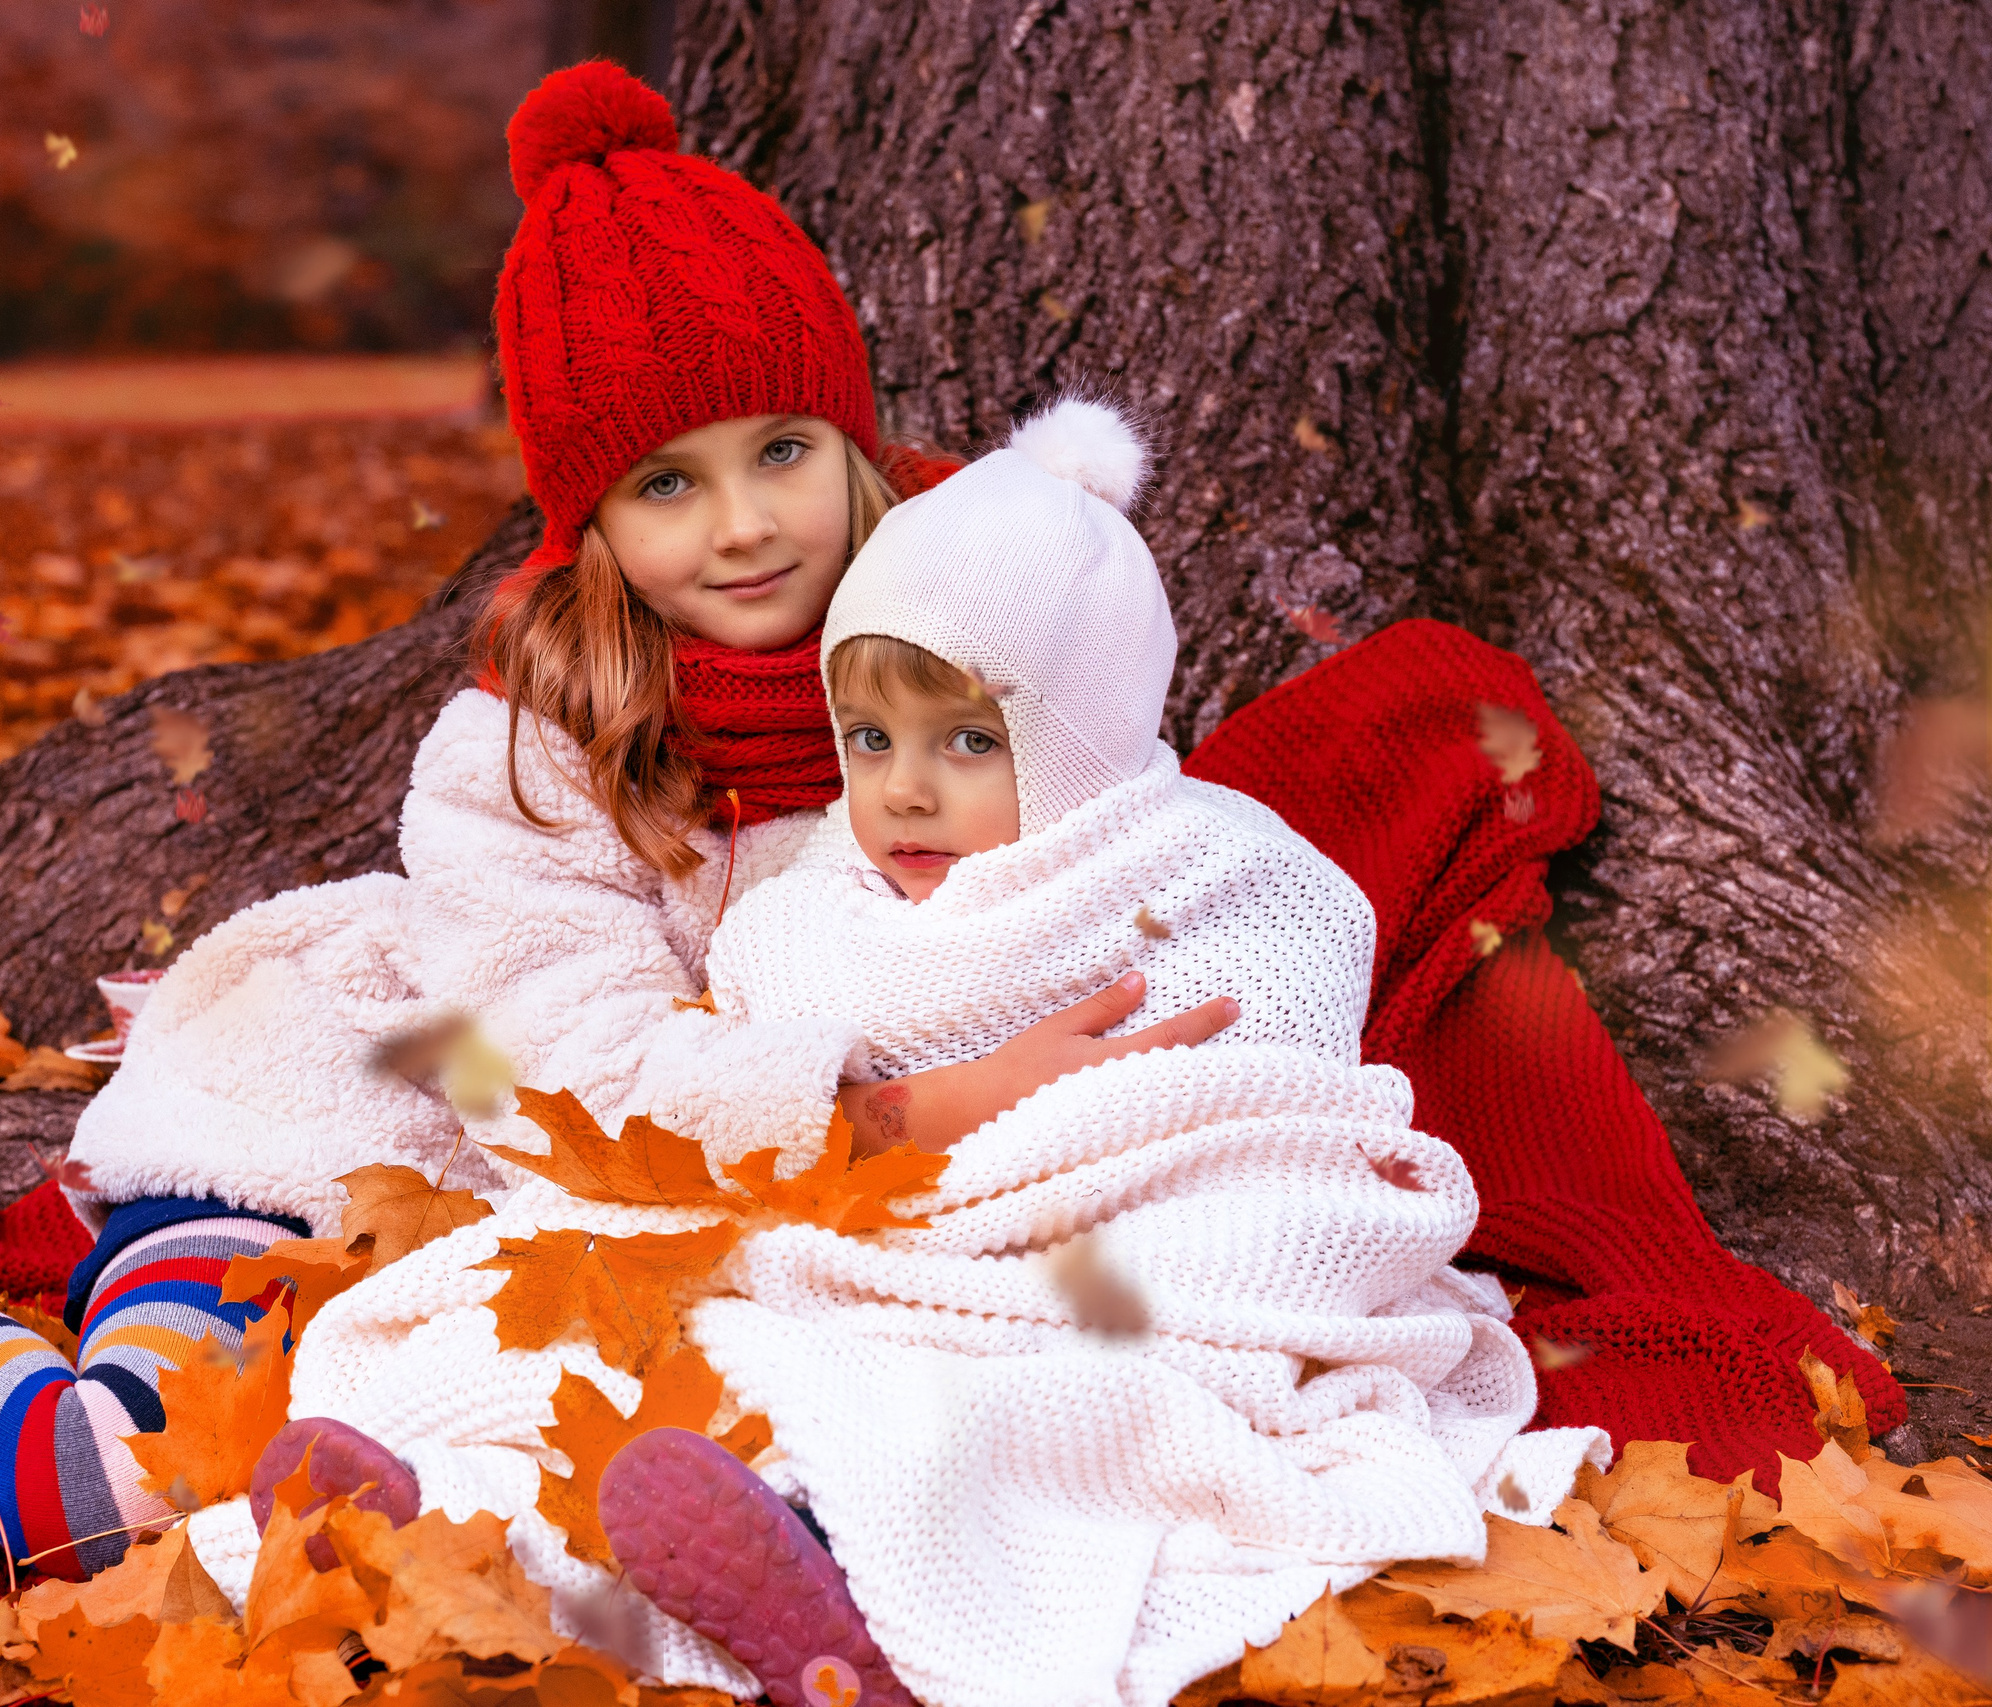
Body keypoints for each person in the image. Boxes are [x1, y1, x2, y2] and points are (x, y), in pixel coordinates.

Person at [0, 65, 1226, 1579]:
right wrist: (905, 1111)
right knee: (122, 1496)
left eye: (780, 451)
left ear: (853, 437)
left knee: (511, 1514)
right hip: (328, 1116)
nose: (743, 526)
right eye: (666, 484)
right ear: (585, 517)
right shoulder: (527, 747)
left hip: (573, 1240)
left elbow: (1082, 864)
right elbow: (565, 1069)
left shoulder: (945, 650)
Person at [270, 399, 1611, 1707]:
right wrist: (914, 1125)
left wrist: (1052, 1163)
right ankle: (457, 1526)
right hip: (858, 1236)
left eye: (969, 742)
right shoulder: (809, 903)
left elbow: (1259, 1121)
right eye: (871, 743)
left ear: (1070, 733)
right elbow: (697, 1081)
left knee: (1010, 1394)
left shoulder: (1201, 875)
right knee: (659, 1332)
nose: (905, 788)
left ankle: (834, 1593)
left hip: (1090, 1268)